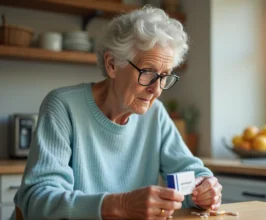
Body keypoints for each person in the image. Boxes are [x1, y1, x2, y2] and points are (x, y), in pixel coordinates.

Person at [12, 6, 222, 220]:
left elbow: (189, 172)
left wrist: (204, 188)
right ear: (112, 64)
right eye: (148, 72)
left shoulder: (155, 114)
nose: (156, 89)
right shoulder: (63, 106)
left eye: (165, 76)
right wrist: (120, 205)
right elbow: (38, 200)